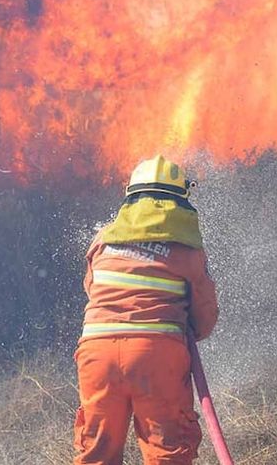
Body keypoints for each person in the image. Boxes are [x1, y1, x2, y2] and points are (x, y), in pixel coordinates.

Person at [73, 155, 219, 465]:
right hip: (156, 354)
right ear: (181, 201)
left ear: (130, 196)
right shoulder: (187, 250)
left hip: (97, 354)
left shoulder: (102, 240)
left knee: (97, 453)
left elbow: (93, 291)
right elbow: (204, 316)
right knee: (167, 451)